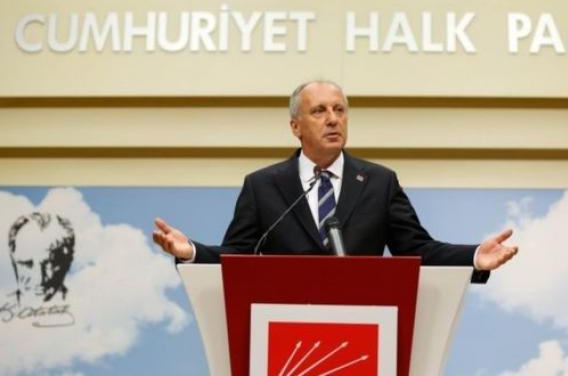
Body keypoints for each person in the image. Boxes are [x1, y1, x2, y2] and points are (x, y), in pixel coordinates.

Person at [152, 80, 517, 282]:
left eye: (339, 110)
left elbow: (418, 250)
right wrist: (193, 252)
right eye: (319, 111)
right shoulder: (262, 186)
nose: (332, 119)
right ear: (296, 126)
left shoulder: (379, 182)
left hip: (365, 323)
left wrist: (474, 257)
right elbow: (237, 256)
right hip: (282, 325)